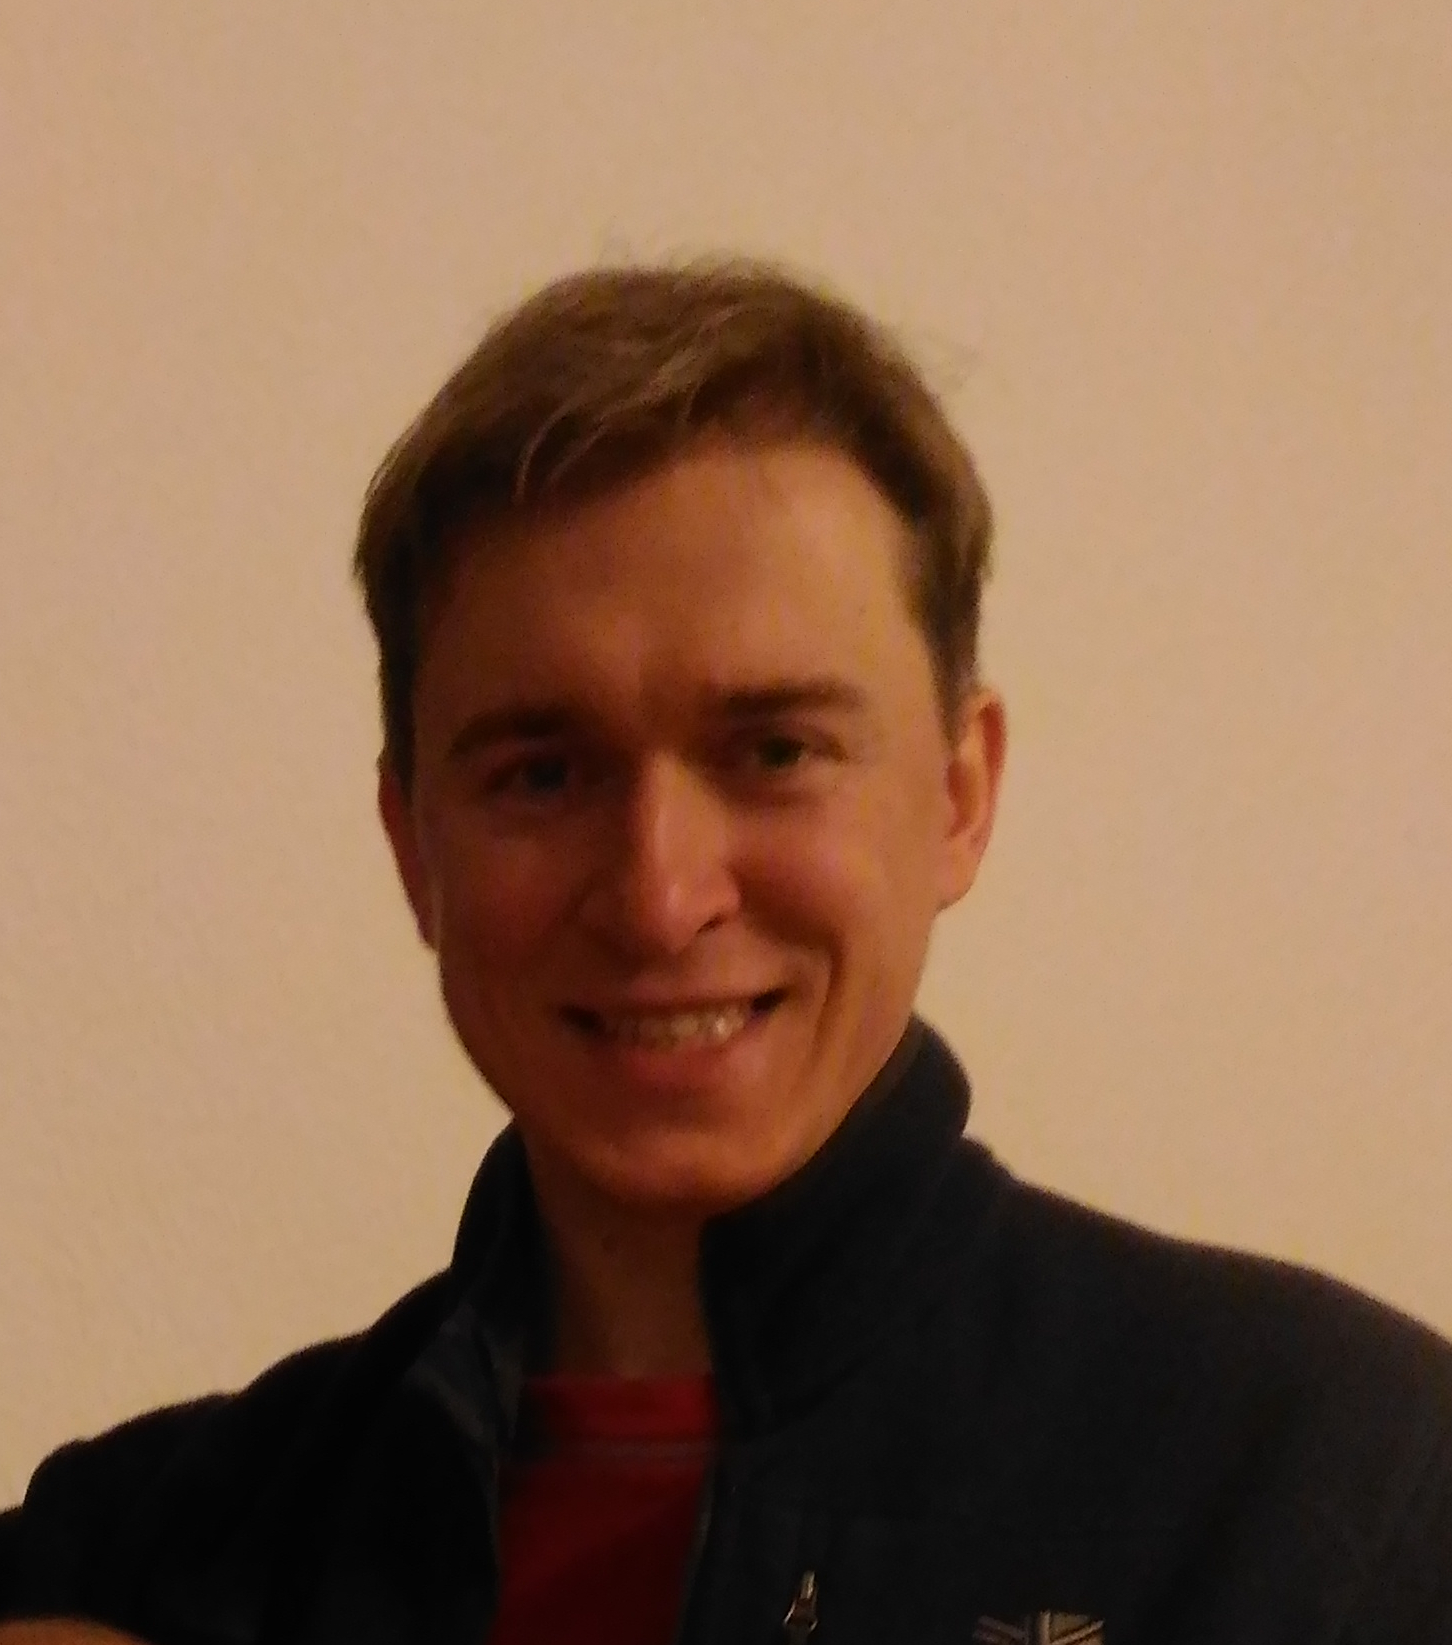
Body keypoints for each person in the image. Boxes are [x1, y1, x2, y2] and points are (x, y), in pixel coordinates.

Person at [2, 259, 1450, 1645]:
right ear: (410, 842)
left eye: (774, 751)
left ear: (959, 795)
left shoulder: (1338, 1492)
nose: (659, 896)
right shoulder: (147, 1550)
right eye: (541, 774)